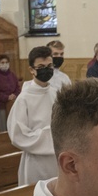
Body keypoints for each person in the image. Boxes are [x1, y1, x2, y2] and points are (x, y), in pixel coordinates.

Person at [6, 46, 58, 186]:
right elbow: (18, 135)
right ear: (31, 70)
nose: (46, 70)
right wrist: (51, 135)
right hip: (36, 162)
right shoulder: (24, 99)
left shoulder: (55, 93)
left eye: (49, 66)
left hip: (57, 160)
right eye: (41, 66)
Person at [0, 54, 20, 131]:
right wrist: (6, 97)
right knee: (3, 127)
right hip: (1, 105)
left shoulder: (12, 74)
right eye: (2, 62)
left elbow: (18, 88)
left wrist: (14, 95)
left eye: (6, 62)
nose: (4, 64)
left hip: (13, 103)